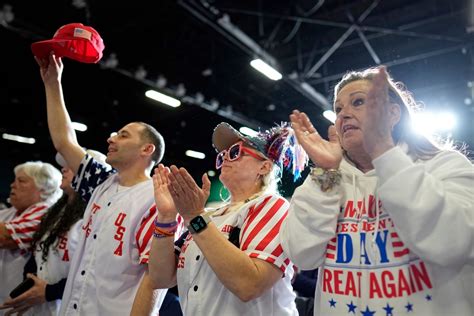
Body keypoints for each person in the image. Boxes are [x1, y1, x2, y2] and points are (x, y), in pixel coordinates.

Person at [280, 66, 474, 315]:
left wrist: (384, 151)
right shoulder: (328, 178)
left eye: (358, 102)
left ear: (393, 113)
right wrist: (326, 174)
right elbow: (302, 254)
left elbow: (455, 242)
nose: (343, 115)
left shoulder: (444, 165)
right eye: (338, 109)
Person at [34, 52, 167, 315]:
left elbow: (157, 280)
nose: (111, 138)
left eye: (123, 135)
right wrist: (53, 83)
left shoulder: (157, 201)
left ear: (146, 149)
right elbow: (64, 141)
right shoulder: (100, 182)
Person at [144, 121, 308, 315]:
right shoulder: (210, 214)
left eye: (235, 152)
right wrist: (166, 216)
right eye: (223, 155)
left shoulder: (273, 205)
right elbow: (160, 278)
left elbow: (249, 285)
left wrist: (195, 217)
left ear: (264, 167)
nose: (226, 159)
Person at [0, 151, 109, 316]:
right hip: (39, 307)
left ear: (92, 177)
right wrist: (29, 286)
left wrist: (50, 291)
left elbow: (96, 272)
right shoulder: (56, 212)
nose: (64, 170)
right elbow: (38, 253)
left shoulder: (99, 216)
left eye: (72, 166)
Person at [0, 161, 62, 314]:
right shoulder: (13, 210)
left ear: (44, 189)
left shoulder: (47, 212)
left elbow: (4, 237)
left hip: (28, 304)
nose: (12, 185)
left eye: (21, 181)